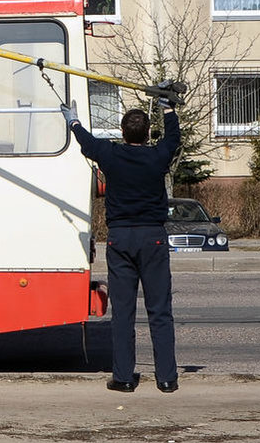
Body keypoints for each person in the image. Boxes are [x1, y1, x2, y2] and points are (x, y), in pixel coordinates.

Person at [61, 98, 181, 393]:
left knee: (123, 313)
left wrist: (73, 121)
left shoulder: (111, 154)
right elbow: (174, 139)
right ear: (148, 134)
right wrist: (168, 110)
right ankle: (166, 378)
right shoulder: (158, 156)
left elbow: (87, 143)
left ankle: (124, 377)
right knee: (160, 311)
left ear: (122, 133)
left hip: (121, 237)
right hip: (152, 237)